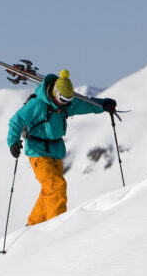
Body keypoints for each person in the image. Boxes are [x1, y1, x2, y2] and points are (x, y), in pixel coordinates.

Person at [7, 69, 117, 226]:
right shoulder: (37, 104)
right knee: (56, 187)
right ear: (55, 93)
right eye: (63, 99)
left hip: (55, 152)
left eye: (68, 100)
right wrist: (13, 142)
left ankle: (33, 226)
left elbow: (87, 104)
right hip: (38, 153)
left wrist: (104, 104)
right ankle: (56, 229)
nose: (65, 103)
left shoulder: (66, 105)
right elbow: (16, 121)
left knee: (49, 190)